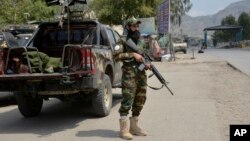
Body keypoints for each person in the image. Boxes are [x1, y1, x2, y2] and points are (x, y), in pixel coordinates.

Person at [115, 17, 151, 140]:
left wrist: (147, 63)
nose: (136, 28)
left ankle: (134, 127)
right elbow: (116, 55)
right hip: (129, 75)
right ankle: (124, 130)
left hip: (141, 75)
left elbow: (144, 56)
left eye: (137, 26)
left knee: (140, 100)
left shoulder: (140, 41)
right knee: (127, 100)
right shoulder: (123, 40)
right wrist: (132, 54)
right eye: (134, 26)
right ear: (128, 27)